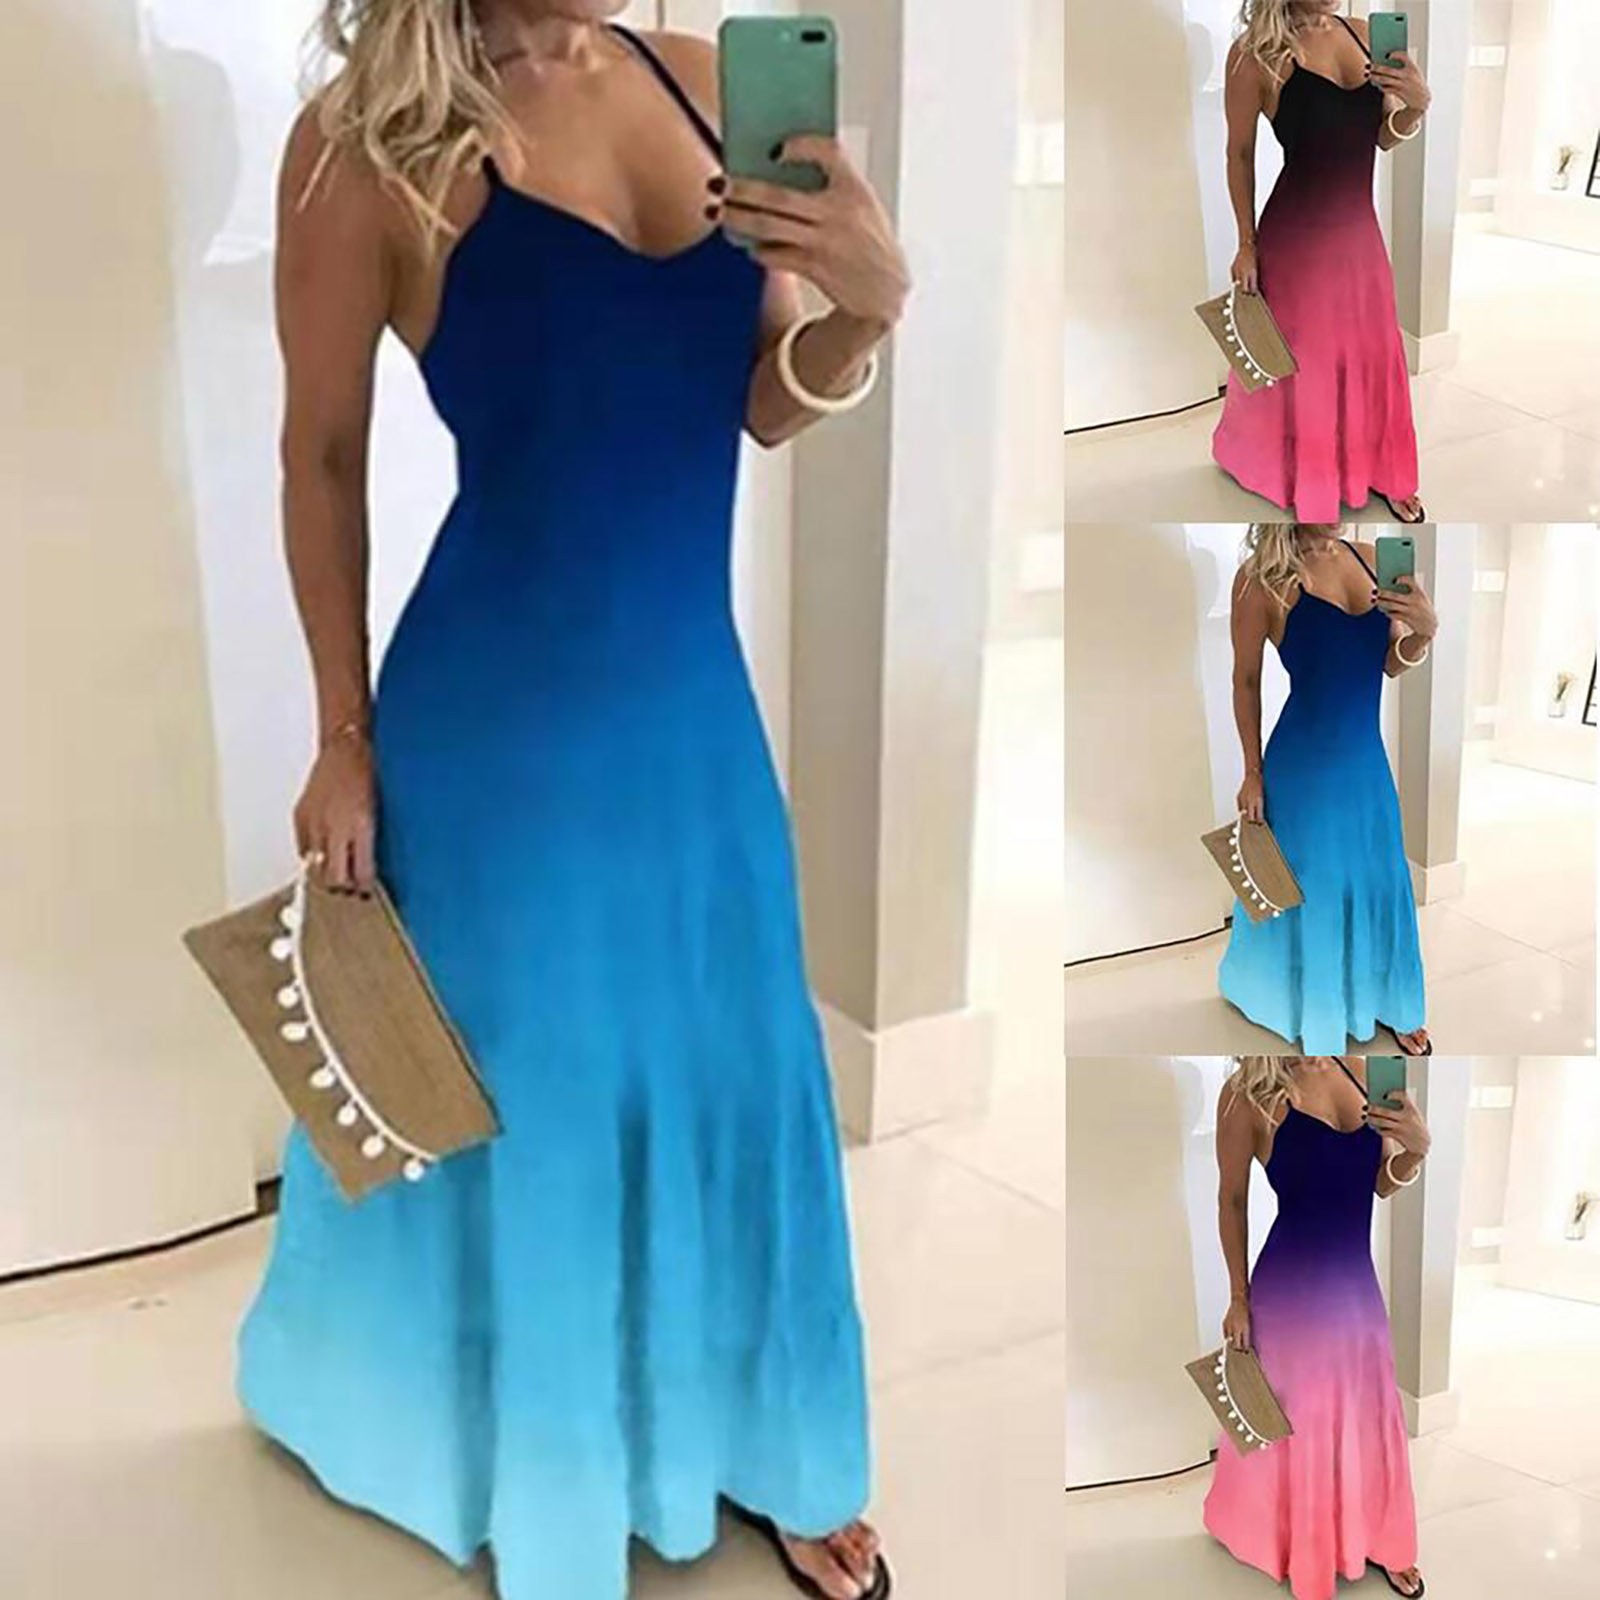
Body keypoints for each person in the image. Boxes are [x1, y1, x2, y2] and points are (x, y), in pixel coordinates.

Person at [237, 5, 910, 1599]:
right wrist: (340, 737)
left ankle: (766, 1437)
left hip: (688, 703)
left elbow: (760, 400)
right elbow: (319, 456)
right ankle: (554, 1474)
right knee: (537, 1093)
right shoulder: (365, 142)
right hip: (498, 725)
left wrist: (867, 314)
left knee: (733, 1064)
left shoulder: (710, 76)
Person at [1206, 1056, 1430, 1600]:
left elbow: (1378, 1185)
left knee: (1368, 1415)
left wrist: (1416, 1151)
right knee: (1304, 1423)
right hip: (1290, 1295)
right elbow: (1231, 1199)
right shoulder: (1247, 1091)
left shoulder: (1367, 1072)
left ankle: (1382, 1538)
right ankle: (1308, 1551)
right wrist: (1238, 1298)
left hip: (1357, 1291)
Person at [1212, 0, 1432, 524]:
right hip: (1297, 240)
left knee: (1372, 353)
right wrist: (1246, 244)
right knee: (1308, 363)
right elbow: (1238, 153)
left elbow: (1380, 137)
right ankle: (1314, 480)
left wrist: (1416, 106)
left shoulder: (1366, 35)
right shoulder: (1254, 54)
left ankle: (1384, 469)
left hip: (1360, 236)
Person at [1219, 525, 1433, 1054]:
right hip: (1302, 768)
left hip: (1366, 763)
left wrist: (1423, 634)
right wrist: (1252, 772)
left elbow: (1386, 663)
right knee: (1314, 887)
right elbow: (1245, 680)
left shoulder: (1376, 559)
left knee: (1379, 877)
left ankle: (1390, 1000)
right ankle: (1319, 1010)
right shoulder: (1260, 579)